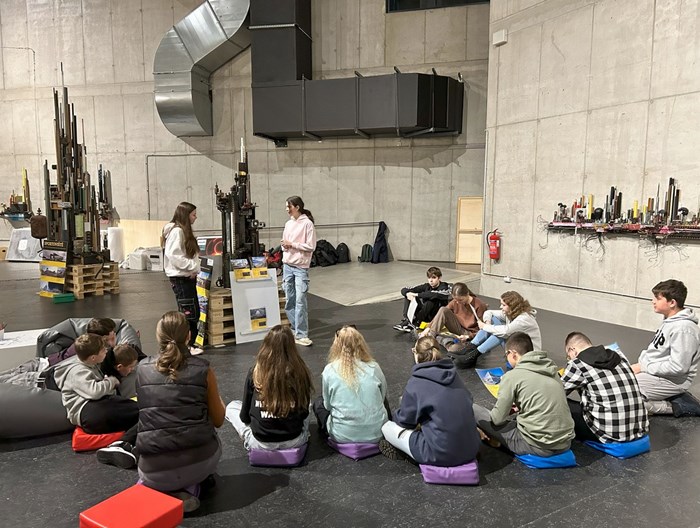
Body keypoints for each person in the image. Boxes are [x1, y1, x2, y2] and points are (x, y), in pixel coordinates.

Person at [136, 311, 226, 513]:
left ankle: (159, 491)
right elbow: (219, 420)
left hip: (151, 468)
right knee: (213, 440)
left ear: (158, 336)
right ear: (188, 336)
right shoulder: (203, 369)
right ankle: (189, 488)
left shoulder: (142, 368)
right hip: (199, 462)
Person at [379, 336, 480, 467]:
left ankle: (409, 453)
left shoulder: (416, 383)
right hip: (471, 448)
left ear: (416, 355)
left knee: (386, 428)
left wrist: (397, 414)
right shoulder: (454, 375)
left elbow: (405, 421)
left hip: (441, 453)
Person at [472, 332, 574, 456]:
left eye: (506, 355)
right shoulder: (551, 369)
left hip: (538, 446)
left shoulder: (512, 376)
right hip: (565, 443)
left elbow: (497, 420)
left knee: (473, 409)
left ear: (513, 354)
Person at [53, 333, 139, 468]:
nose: (106, 351)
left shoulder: (91, 364)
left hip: (96, 409)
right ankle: (122, 444)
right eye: (103, 350)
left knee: (141, 413)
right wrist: (111, 381)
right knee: (146, 412)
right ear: (93, 357)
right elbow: (94, 391)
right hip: (89, 411)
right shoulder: (77, 371)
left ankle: (122, 444)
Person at [226, 325, 313, 450]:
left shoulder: (255, 372)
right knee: (308, 403)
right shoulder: (300, 372)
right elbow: (304, 414)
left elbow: (244, 417)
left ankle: (250, 437)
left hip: (261, 443)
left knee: (232, 406)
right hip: (294, 440)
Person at [562, 332, 648, 443]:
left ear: (572, 350)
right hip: (639, 430)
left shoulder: (577, 364)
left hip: (609, 435)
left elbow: (557, 392)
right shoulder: (619, 356)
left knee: (564, 405)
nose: (569, 359)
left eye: (568, 356)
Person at [631, 280, 700, 417]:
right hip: (655, 374)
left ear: (672, 302)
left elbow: (678, 367)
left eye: (658, 298)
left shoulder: (684, 329)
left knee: (621, 397)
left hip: (671, 380)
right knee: (614, 385)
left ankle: (678, 406)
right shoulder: (670, 321)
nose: (653, 301)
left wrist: (643, 367)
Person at [313, 325, 389, 443]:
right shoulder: (374, 367)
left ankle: (326, 433)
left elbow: (327, 406)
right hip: (377, 433)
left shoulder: (330, 370)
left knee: (319, 403)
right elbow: (383, 396)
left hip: (342, 435)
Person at [459, 290, 542, 368]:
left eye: (504, 305)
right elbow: (489, 312)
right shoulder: (511, 313)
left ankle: (475, 353)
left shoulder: (523, 319)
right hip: (517, 347)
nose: (500, 307)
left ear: (512, 306)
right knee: (493, 320)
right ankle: (471, 347)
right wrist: (488, 323)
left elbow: (505, 332)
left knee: (501, 333)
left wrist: (484, 326)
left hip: (527, 353)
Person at [162, 201, 201, 347]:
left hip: (185, 279)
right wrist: (192, 267)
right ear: (186, 215)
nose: (195, 217)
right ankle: (188, 345)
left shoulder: (182, 231)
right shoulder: (177, 232)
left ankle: (188, 344)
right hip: (181, 280)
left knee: (191, 312)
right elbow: (174, 255)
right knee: (189, 314)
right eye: (193, 215)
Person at [281, 196, 317, 347]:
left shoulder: (307, 224)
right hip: (287, 266)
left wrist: (292, 244)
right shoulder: (288, 224)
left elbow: (311, 246)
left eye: (289, 206)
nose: (287, 209)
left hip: (301, 267)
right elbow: (284, 242)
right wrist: (285, 245)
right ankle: (295, 330)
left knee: (300, 300)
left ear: (297, 207)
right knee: (289, 300)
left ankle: (301, 334)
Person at [418, 283, 487, 355]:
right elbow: (441, 314)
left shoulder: (479, 305)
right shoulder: (456, 302)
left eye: (460, 300)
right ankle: (430, 338)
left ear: (467, 294)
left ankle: (442, 340)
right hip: (459, 329)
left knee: (454, 349)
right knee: (443, 309)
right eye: (455, 299)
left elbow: (484, 330)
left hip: (472, 335)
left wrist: (468, 336)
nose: (457, 302)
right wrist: (427, 329)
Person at [393, 266, 450, 332]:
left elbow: (433, 294)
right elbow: (405, 289)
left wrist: (416, 294)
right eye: (429, 278)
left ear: (439, 278)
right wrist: (408, 294)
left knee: (431, 300)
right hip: (425, 314)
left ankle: (415, 323)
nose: (431, 280)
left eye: (434, 278)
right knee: (409, 294)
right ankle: (407, 320)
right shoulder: (426, 286)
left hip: (437, 316)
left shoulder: (445, 286)